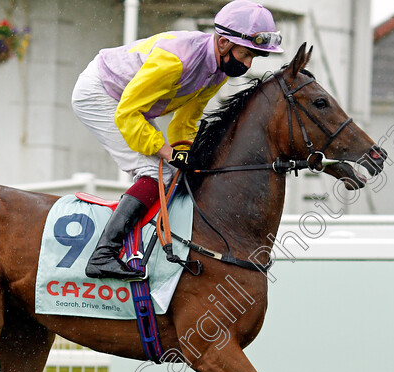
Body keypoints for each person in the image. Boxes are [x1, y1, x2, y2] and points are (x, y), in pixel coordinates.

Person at [72, 0, 283, 281]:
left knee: (175, 170)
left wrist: (182, 149)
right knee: (153, 170)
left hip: (129, 103)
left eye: (254, 58)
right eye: (246, 54)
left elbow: (187, 118)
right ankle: (103, 255)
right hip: (100, 94)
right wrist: (167, 152)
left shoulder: (219, 70)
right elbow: (128, 113)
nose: (247, 64)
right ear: (223, 43)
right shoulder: (176, 60)